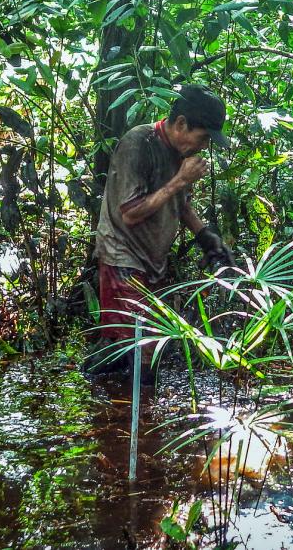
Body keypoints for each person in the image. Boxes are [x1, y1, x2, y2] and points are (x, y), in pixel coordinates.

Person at [87, 85, 234, 378]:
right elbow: (129, 214)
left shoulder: (180, 151)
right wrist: (179, 181)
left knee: (130, 348)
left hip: (152, 262)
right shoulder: (137, 144)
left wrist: (206, 236)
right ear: (181, 124)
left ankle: (98, 391)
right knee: (143, 354)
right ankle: (130, 418)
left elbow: (181, 204)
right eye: (203, 137)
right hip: (122, 259)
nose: (204, 146)